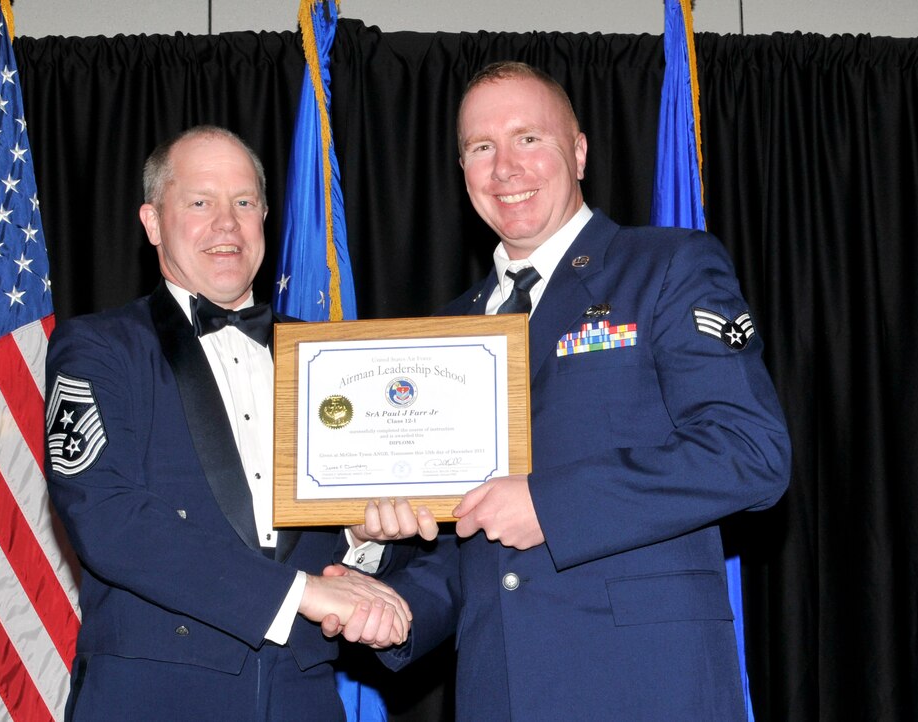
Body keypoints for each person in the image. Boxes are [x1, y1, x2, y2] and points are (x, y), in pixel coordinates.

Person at [329, 61, 792, 720]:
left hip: (645, 689)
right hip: (499, 694)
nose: (504, 167)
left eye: (528, 138)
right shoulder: (448, 333)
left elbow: (751, 453)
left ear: (578, 153)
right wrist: (390, 600)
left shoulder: (666, 267)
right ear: (462, 169)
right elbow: (472, 546)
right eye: (481, 147)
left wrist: (550, 506)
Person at [44, 125, 431, 721]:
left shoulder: (330, 361)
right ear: (152, 222)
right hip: (154, 699)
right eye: (200, 202)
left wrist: (362, 540)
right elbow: (110, 521)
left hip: (303, 698)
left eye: (244, 202)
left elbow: (343, 538)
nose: (226, 223)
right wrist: (301, 593)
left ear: (265, 218)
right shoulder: (99, 349)